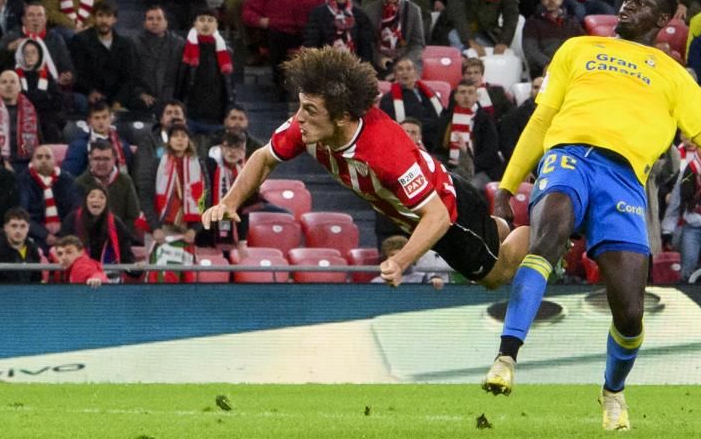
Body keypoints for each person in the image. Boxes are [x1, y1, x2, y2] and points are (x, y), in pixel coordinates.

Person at [486, 0, 701, 430]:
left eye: (639, 2)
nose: (627, 5)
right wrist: (506, 188)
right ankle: (507, 356)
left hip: (623, 180)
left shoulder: (676, 77)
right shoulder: (577, 49)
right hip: (568, 158)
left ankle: (613, 392)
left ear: (663, 20)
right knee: (548, 237)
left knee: (630, 311)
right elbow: (542, 119)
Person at [205, 47, 527, 291]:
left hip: (451, 213)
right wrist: (229, 203)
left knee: (493, 278)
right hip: (416, 209)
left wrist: (401, 261)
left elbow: (438, 216)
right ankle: (496, 227)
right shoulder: (310, 126)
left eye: (310, 110)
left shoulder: (383, 151)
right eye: (301, 105)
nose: (298, 117)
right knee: (489, 238)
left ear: (343, 116)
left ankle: (539, 230)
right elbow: (263, 157)